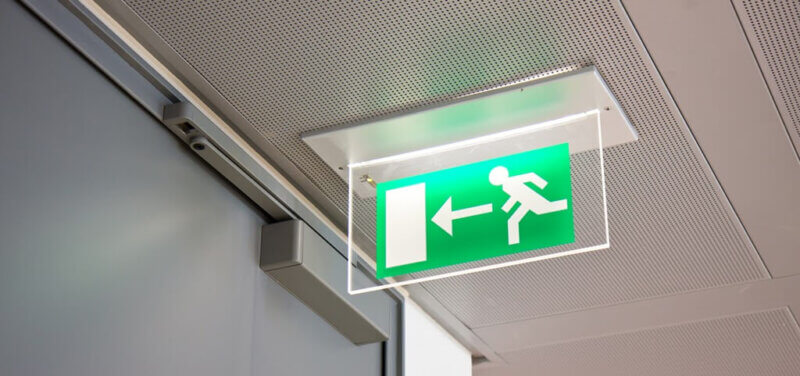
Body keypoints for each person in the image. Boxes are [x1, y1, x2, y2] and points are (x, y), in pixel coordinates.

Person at [489, 166, 568, 245]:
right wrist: (506, 207)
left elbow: (530, 177)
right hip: (524, 203)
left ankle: (565, 204)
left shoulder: (513, 179)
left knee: (547, 207)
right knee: (513, 220)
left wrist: (542, 184)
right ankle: (514, 242)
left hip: (531, 199)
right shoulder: (505, 187)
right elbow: (514, 197)